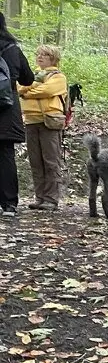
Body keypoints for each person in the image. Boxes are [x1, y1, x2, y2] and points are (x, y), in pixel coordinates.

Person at [18, 44, 68, 211]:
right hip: (31, 121)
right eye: (38, 54)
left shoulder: (58, 76)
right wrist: (28, 88)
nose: (40, 57)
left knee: (51, 161)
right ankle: (39, 197)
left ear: (53, 58)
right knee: (35, 161)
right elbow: (19, 88)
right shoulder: (32, 75)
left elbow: (47, 90)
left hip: (50, 121)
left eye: (44, 55)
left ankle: (51, 199)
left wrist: (27, 91)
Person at [0, 13, 34, 217]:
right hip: (6, 108)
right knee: (6, 155)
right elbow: (28, 79)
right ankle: (9, 204)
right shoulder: (12, 49)